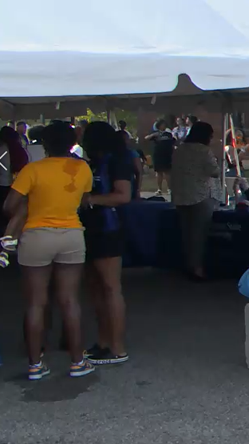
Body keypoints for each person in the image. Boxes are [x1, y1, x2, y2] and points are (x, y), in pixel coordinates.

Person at [3, 123, 95, 380]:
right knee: (70, 301)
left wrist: (30, 205)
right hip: (71, 235)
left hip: (36, 236)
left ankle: (35, 365)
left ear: (44, 143)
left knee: (35, 303)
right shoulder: (83, 168)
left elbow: (10, 206)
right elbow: (84, 200)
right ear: (71, 142)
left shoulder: (32, 170)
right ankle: (77, 362)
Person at [78, 121, 133, 365]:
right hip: (88, 229)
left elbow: (123, 195)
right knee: (95, 288)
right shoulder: (91, 163)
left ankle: (117, 347)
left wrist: (92, 200)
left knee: (110, 287)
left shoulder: (117, 161)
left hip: (109, 229)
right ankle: (102, 341)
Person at [171, 120, 221, 281]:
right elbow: (214, 172)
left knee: (186, 234)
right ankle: (197, 268)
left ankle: (187, 265)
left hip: (181, 195)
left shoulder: (179, 150)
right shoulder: (204, 151)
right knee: (199, 234)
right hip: (200, 196)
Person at [146, 119, 176, 198]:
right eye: (162, 124)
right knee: (159, 172)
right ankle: (159, 189)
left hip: (166, 155)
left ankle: (169, 189)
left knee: (167, 172)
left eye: (164, 124)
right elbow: (146, 138)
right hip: (158, 154)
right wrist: (153, 135)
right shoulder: (154, 133)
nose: (163, 126)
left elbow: (173, 141)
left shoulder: (168, 134)